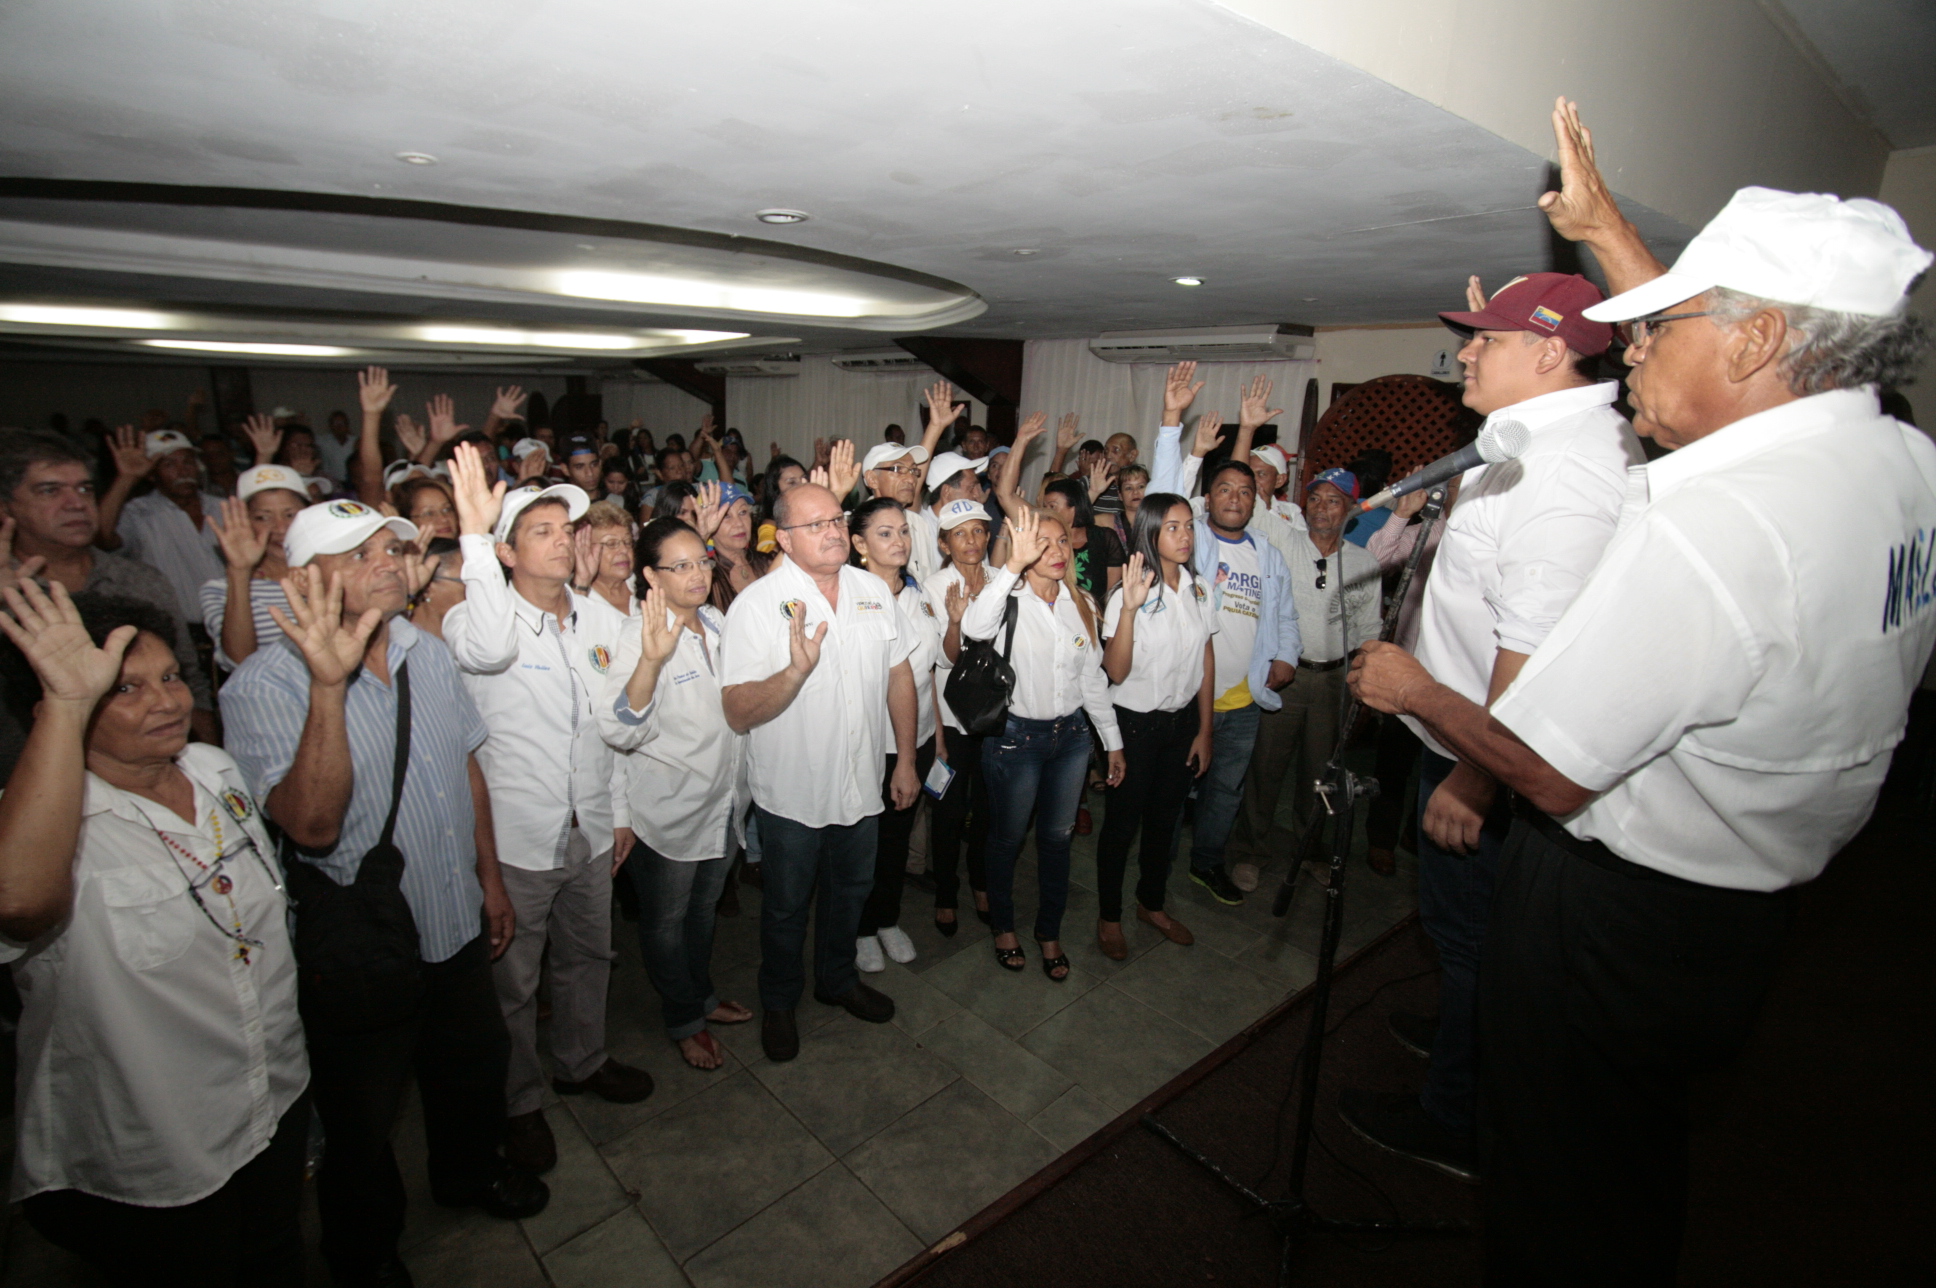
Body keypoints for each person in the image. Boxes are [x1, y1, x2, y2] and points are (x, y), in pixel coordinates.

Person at [1349, 96, 1936, 1284]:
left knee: (1565, 1190)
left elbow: (1556, 768)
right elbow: (1724, 351)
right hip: (1740, 904)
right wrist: (1608, 231)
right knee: (1631, 1145)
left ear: (1757, 338)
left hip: (1619, 904)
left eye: (1658, 331)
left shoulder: (1723, 527)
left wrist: (1420, 692)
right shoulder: (1892, 453)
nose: (1631, 356)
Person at [1339, 262, 1645, 1183]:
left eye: (1488, 338)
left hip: (1488, 765)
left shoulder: (1563, 472)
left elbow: (1540, 652)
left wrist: (1476, 776)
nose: (1465, 352)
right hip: (1463, 740)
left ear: (1552, 352)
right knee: (1467, 941)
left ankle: (1458, 1118)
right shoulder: (1518, 442)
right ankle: (1458, 1033)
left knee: (1481, 944)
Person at [220, 499, 547, 1286]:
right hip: (363, 942)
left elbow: (466, 766)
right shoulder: (262, 686)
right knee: (362, 1118)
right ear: (305, 578)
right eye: (358, 553)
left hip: (453, 917)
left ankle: (467, 1175)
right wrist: (328, 686)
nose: (388, 562)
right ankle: (364, 1251)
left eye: (393, 548)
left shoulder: (427, 653)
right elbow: (311, 824)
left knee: (472, 1066)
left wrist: (490, 881)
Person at [0, 585, 308, 1288]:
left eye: (170, 677)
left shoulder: (214, 771)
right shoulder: (41, 828)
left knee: (275, 1258)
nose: (166, 702)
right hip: (157, 1142)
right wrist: (71, 702)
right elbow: (17, 902)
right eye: (126, 689)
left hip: (273, 1093)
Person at [441, 448, 654, 1176]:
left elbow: (618, 729)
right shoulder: (475, 622)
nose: (565, 539)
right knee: (515, 982)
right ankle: (519, 1100)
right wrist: (472, 538)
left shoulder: (597, 619)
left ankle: (581, 1060)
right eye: (541, 531)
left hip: (590, 825)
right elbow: (495, 647)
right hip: (516, 838)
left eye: (567, 528)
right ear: (504, 551)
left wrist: (619, 810)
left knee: (590, 955)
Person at [719, 482, 921, 1062]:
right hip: (792, 794)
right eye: (816, 525)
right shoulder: (756, 607)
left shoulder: (870, 589)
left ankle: (837, 980)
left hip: (860, 782)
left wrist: (904, 758)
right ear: (783, 538)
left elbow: (899, 674)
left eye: (837, 519)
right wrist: (792, 674)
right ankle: (780, 1000)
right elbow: (735, 709)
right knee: (785, 904)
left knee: (849, 891)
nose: (833, 531)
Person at [599, 518, 754, 1071]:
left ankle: (702, 995)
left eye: (701, 561)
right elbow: (618, 731)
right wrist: (650, 660)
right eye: (679, 565)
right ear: (651, 576)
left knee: (703, 912)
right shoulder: (634, 636)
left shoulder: (715, 620)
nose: (696, 574)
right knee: (665, 924)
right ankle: (684, 1018)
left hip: (725, 805)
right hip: (668, 813)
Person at [1149, 381, 1303, 906]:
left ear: (1257, 499)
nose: (1235, 499)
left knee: (1226, 793)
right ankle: (1158, 870)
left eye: (1244, 491)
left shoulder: (1269, 556)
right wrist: (1175, 421)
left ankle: (1206, 863)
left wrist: (1286, 655)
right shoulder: (1195, 542)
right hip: (1189, 698)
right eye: (1223, 491)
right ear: (1206, 501)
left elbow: (1285, 615)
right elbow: (1163, 491)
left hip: (1243, 700)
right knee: (1173, 793)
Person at [963, 506, 1123, 980]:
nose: (1056, 551)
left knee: (1058, 838)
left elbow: (1092, 681)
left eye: (1061, 542)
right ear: (1024, 549)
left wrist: (1111, 743)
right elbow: (973, 629)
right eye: (1043, 543)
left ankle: (1048, 931)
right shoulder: (1007, 597)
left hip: (1072, 738)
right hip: (1016, 740)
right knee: (1007, 838)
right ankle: (1005, 928)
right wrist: (1011, 566)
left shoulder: (1082, 604)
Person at [0, 429, 217, 770]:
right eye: (50, 490)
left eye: (85, 489)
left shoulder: (140, 581)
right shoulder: (6, 594)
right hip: (32, 783)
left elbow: (189, 676)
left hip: (152, 776)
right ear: (6, 508)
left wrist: (208, 756)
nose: (76, 503)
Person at [1224, 467, 1382, 893]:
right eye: (1315, 498)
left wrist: (1364, 688)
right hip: (1284, 676)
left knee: (1321, 773)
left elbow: (1370, 629)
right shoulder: (1285, 542)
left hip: (1335, 680)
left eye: (1334, 500)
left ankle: (1311, 850)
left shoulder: (1365, 563)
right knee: (1264, 769)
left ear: (1350, 509)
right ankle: (1249, 852)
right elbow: (1251, 506)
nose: (1322, 508)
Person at [1094, 493, 1214, 959]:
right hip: (1135, 725)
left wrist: (1205, 729)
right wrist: (1128, 609)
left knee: (1166, 823)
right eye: (1173, 527)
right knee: (1121, 827)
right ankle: (1108, 916)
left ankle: (1152, 903)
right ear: (1150, 532)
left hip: (1181, 723)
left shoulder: (1199, 587)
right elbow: (1116, 672)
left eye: (1188, 526)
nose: (1185, 536)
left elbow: (1206, 654)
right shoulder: (1129, 590)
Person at [848, 497, 941, 973]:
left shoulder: (917, 592)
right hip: (872, 746)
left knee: (897, 838)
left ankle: (886, 919)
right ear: (859, 544)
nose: (899, 541)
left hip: (918, 737)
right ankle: (860, 928)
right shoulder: (850, 598)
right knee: (866, 842)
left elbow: (926, 674)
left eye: (903, 531)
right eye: (885, 533)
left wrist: (936, 738)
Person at [924, 498, 995, 934]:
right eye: (960, 533)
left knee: (989, 808)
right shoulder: (934, 586)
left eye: (978, 531)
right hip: (952, 718)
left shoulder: (1005, 581)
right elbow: (944, 662)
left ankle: (982, 883)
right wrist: (955, 622)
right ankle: (946, 891)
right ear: (944, 543)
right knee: (949, 811)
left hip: (996, 716)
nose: (971, 541)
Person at [95, 425, 226, 624]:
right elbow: (101, 537)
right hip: (181, 634)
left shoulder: (221, 507)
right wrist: (127, 477)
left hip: (237, 629)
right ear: (151, 474)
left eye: (188, 462)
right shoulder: (139, 513)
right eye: (169, 465)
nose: (183, 471)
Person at [202, 463, 309, 670]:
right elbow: (240, 660)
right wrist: (239, 572)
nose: (280, 528)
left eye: (290, 515)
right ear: (245, 522)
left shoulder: (332, 573)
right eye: (263, 517)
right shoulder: (221, 590)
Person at [575, 499, 639, 615]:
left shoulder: (646, 586)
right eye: (611, 544)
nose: (624, 550)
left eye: (628, 542)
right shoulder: (577, 597)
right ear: (585, 549)